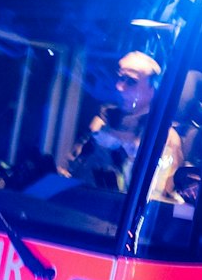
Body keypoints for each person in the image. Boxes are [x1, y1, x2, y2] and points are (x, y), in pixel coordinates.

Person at [64, 51, 182, 201]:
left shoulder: (165, 138)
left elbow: (159, 199)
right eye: (120, 78)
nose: (120, 87)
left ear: (153, 90)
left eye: (131, 82)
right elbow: (73, 168)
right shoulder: (100, 124)